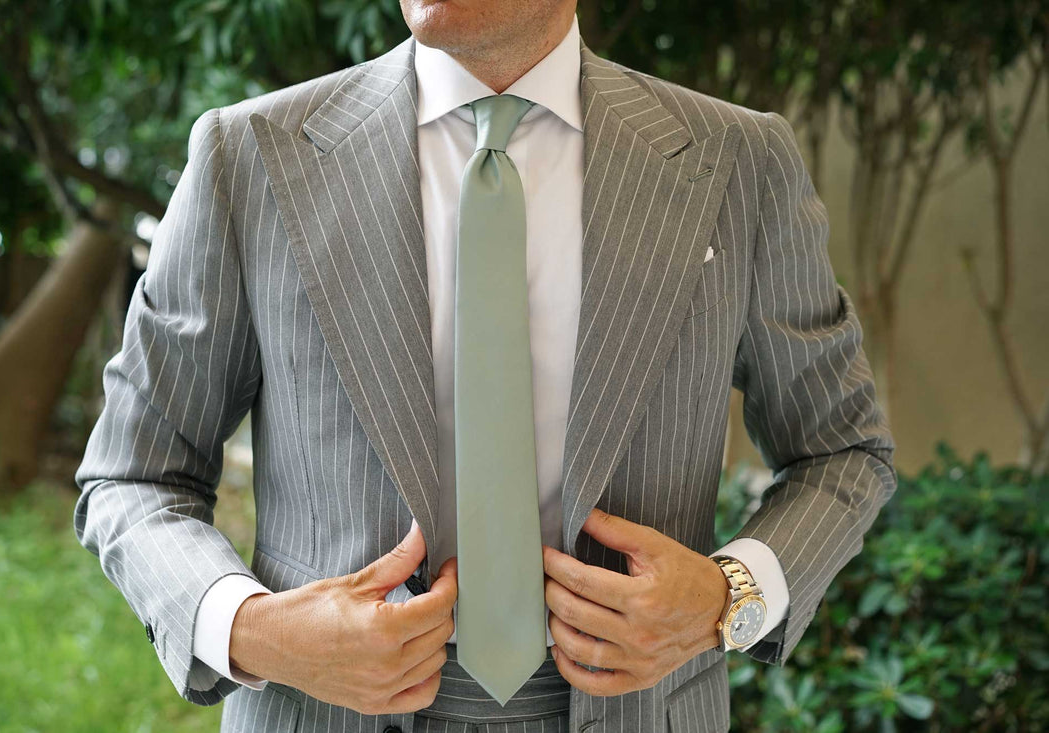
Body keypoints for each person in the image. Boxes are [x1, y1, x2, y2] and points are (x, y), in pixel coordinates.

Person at [73, 0, 897, 731]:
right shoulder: (248, 156)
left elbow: (842, 449)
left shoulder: (741, 162)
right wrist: (256, 631)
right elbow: (133, 473)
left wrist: (729, 595)